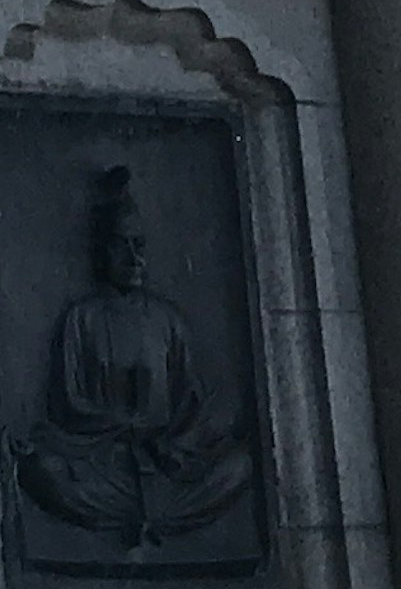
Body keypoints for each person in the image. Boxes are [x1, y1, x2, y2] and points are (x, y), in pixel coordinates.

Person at [13, 167, 256, 556]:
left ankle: (151, 519)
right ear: (101, 250)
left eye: (139, 245)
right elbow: (69, 402)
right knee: (43, 471)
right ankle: (139, 520)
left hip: (167, 463)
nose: (133, 257)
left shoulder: (167, 319)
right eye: (121, 245)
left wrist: (174, 440)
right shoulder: (83, 318)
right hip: (106, 462)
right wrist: (123, 425)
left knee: (238, 467)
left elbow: (191, 399)